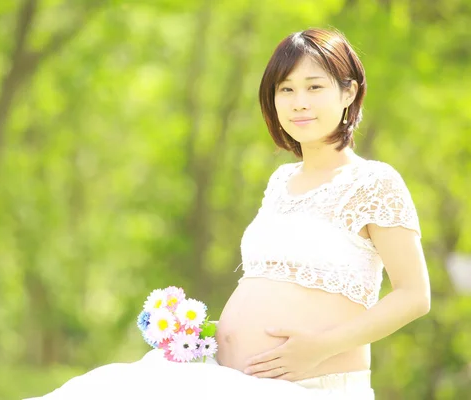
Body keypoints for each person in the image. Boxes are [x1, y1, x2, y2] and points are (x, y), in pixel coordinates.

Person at [25, 28, 431, 400]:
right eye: (285, 89)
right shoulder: (280, 182)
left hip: (308, 386)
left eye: (314, 86)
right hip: (222, 374)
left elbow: (414, 296)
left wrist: (320, 347)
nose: (299, 102)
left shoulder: (373, 181)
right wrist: (207, 333)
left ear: (348, 93)